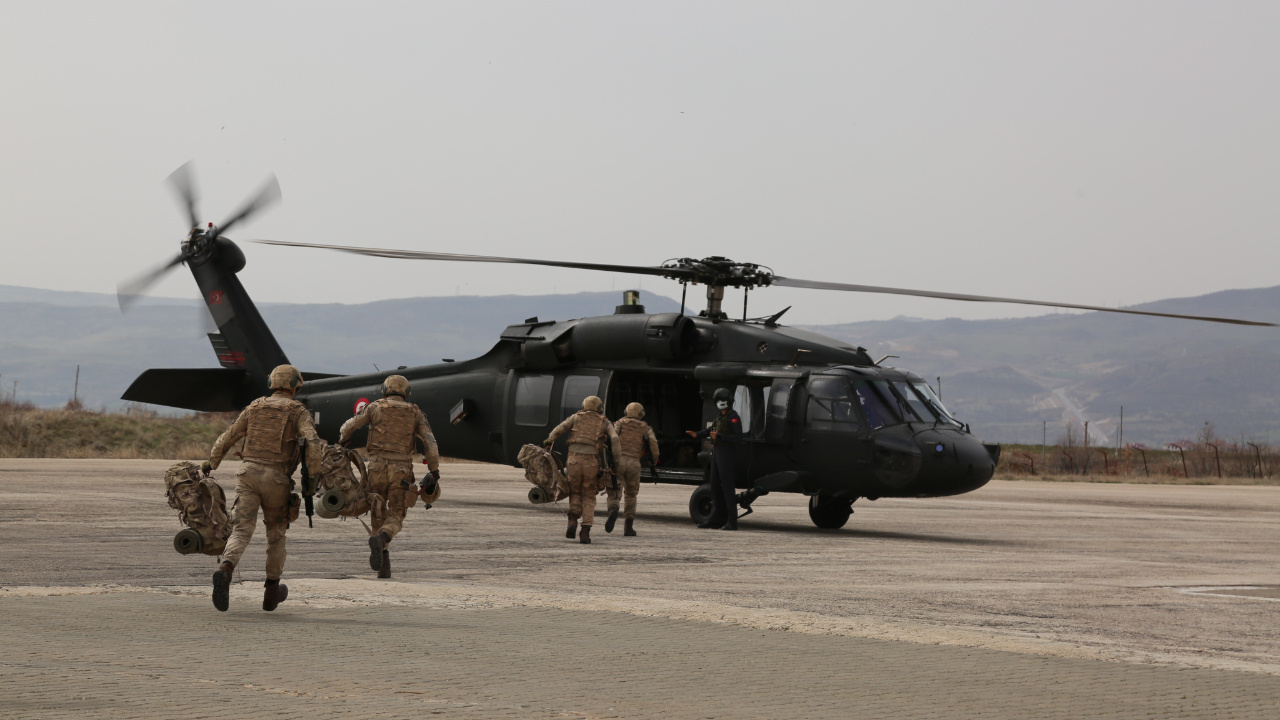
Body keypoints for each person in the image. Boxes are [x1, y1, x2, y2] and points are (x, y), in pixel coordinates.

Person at [203, 364, 322, 612]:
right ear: (295, 385)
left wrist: (212, 462)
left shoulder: (254, 406)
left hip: (247, 474)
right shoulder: (298, 410)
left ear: (272, 382)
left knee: (241, 530)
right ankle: (271, 592)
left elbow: (230, 434)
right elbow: (311, 442)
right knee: (276, 537)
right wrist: (311, 479)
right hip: (277, 479)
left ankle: (225, 569)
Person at [338, 374, 440, 578]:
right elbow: (430, 443)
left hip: (375, 468)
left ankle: (384, 568)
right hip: (400, 471)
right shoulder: (414, 413)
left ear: (385, 390)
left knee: (377, 510)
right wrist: (434, 470)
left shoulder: (375, 407)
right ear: (406, 393)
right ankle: (383, 539)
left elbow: (349, 426)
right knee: (396, 515)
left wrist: (343, 442)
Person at [544, 396, 620, 544]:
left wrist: (548, 443)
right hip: (591, 462)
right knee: (589, 495)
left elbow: (558, 430)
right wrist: (615, 462)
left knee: (575, 491)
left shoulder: (575, 417)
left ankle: (572, 520)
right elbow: (615, 439)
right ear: (599, 408)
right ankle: (585, 531)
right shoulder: (604, 421)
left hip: (573, 460)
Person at [685, 387, 742, 530]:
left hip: (727, 453)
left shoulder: (733, 417)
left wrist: (720, 437)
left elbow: (737, 437)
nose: (719, 403)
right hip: (717, 452)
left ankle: (732, 521)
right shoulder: (719, 417)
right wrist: (697, 434)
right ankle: (715, 519)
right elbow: (710, 431)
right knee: (715, 485)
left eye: (722, 401)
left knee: (727, 487)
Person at [608, 402, 659, 536]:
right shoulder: (645, 427)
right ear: (641, 414)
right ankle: (628, 526)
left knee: (615, 489)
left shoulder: (620, 423)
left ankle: (613, 508)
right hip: (634, 463)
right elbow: (653, 442)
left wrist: (611, 457)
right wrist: (654, 459)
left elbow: (611, 437)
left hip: (619, 461)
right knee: (631, 494)